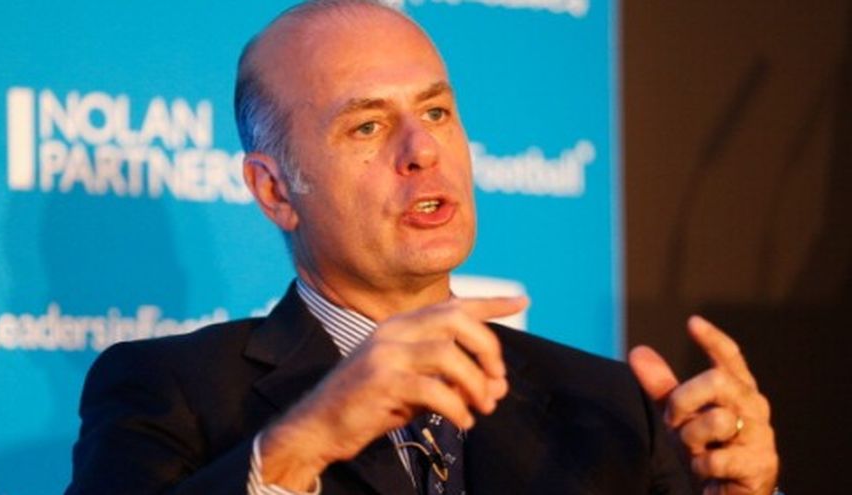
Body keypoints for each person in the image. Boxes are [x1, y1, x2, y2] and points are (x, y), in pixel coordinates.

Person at [66, 1, 780, 494]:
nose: (422, 149)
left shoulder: (607, 406)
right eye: (368, 126)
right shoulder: (169, 392)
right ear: (276, 189)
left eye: (436, 111)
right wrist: (307, 438)